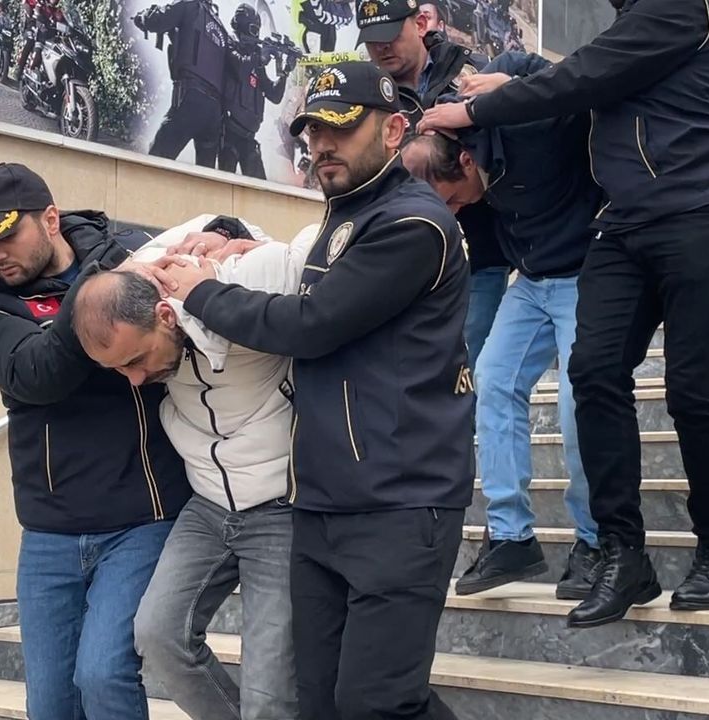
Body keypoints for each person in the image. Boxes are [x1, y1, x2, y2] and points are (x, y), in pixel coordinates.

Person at [419, 0, 709, 627]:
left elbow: (582, 76)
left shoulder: (683, 7)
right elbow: (578, 74)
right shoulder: (631, 24)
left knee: (693, 389)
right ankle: (620, 552)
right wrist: (509, 84)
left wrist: (474, 109)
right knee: (593, 372)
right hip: (627, 220)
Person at [159, 61, 472, 720]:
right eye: (313, 131)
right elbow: (300, 272)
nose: (322, 145)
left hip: (401, 500)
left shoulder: (413, 225)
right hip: (323, 500)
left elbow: (314, 323)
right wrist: (232, 240)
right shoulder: (345, 215)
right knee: (323, 700)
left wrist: (202, 292)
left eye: (341, 128)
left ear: (393, 130)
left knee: (376, 702)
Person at [0, 163, 192, 720]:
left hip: (143, 521)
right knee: (52, 705)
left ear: (51, 219)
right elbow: (38, 374)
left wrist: (222, 233)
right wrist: (103, 285)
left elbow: (197, 257)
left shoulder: (128, 253)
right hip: (50, 537)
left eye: (7, 234)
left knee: (104, 675)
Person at [70, 214, 314, 720]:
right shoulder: (145, 276)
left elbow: (309, 247)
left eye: (136, 360)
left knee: (269, 693)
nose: (135, 379)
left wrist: (235, 236)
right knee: (159, 635)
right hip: (207, 504)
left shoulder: (240, 279)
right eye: (119, 370)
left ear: (165, 315)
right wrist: (135, 268)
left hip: (281, 506)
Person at [402, 51, 603, 601]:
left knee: (579, 402)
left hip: (586, 273)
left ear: (467, 163)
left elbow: (581, 87)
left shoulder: (529, 129)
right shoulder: (456, 149)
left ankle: (596, 540)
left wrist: (517, 82)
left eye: (451, 200)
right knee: (492, 381)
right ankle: (511, 536)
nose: (454, 213)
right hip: (532, 282)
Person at [358, 0, 508, 367]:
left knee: (467, 361)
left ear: (421, 23)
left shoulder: (470, 70)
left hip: (484, 252)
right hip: (410, 258)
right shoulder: (371, 100)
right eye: (372, 41)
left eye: (390, 35)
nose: (382, 48)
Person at [136, 0, 230, 167]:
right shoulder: (221, 29)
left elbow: (157, 20)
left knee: (155, 163)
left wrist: (142, 17)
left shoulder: (189, 5)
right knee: (205, 175)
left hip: (190, 99)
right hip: (215, 112)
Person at [219, 4, 295, 179]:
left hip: (248, 137)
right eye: (253, 29)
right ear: (241, 25)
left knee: (261, 189)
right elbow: (239, 68)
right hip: (228, 132)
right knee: (222, 185)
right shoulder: (229, 44)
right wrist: (260, 57)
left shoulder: (255, 59)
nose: (256, 35)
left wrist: (285, 72)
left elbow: (274, 95)